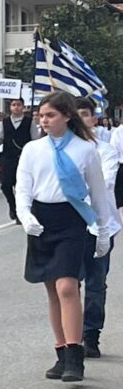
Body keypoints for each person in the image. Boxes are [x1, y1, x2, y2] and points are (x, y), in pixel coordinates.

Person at [16, 92, 116, 383]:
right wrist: (25, 216)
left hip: (71, 220)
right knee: (52, 290)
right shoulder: (33, 149)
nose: (44, 121)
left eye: (50, 115)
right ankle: (60, 352)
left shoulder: (85, 150)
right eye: (41, 116)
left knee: (67, 287)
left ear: (67, 116)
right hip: (42, 219)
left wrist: (103, 231)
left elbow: (98, 194)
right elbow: (23, 187)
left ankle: (75, 355)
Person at [75, 97, 120, 359]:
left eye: (84, 114)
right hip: (70, 225)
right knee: (69, 282)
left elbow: (104, 185)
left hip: (100, 224)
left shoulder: (106, 151)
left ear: (93, 119)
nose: (80, 119)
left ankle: (91, 335)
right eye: (75, 114)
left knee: (95, 282)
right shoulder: (62, 151)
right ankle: (71, 336)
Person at [0, 98, 40, 222]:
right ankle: (12, 205)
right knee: (6, 185)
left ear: (23, 106)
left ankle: (20, 212)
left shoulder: (29, 122)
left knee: (21, 186)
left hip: (24, 158)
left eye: (19, 104)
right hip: (8, 157)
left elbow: (35, 140)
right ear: (10, 107)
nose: (16, 107)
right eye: (14, 105)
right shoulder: (4, 123)